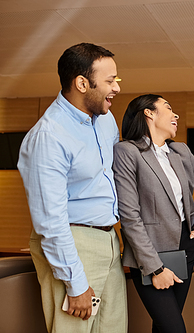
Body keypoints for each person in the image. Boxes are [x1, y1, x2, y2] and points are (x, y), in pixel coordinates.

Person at [17, 43, 127, 332]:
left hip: (109, 240)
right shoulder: (49, 135)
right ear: (81, 83)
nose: (115, 87)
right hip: (73, 243)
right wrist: (75, 283)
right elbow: (50, 219)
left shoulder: (106, 122)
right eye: (109, 80)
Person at [112, 94, 194, 333]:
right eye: (168, 108)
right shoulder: (127, 152)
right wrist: (155, 268)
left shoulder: (181, 151)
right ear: (149, 113)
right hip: (148, 255)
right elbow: (129, 217)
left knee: (163, 327)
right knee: (174, 328)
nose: (175, 115)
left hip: (185, 249)